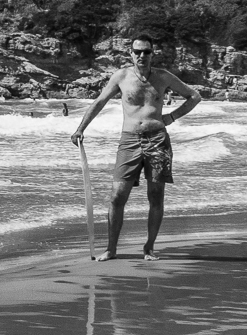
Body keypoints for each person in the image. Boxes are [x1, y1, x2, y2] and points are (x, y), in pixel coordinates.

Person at [70, 34, 202, 260]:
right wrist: (80, 128)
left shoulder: (163, 77)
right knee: (117, 196)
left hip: (158, 140)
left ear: (153, 53)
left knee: (155, 195)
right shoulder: (121, 76)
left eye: (146, 51)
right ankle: (111, 249)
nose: (142, 55)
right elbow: (100, 101)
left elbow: (194, 96)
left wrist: (170, 117)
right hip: (129, 140)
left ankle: (149, 248)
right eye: (137, 51)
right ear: (130, 53)